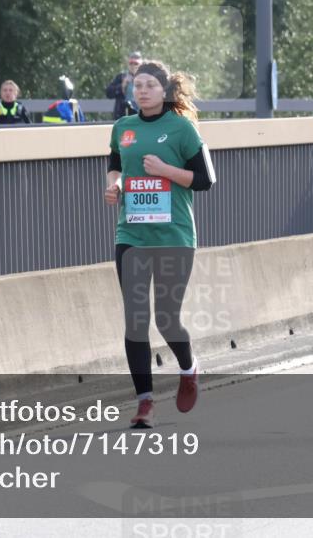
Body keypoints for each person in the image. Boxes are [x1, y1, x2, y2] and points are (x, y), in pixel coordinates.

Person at [103, 60, 217, 428]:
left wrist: (165, 171)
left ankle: (189, 368)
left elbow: (205, 179)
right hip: (131, 235)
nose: (142, 91)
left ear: (165, 91)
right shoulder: (124, 127)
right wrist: (116, 185)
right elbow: (117, 165)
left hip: (174, 236)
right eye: (137, 85)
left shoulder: (181, 129)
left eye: (150, 85)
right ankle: (145, 403)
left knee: (167, 319)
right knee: (136, 321)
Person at [105, 51, 143, 120]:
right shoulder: (121, 77)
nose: (133, 66)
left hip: (141, 116)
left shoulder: (146, 78)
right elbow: (108, 93)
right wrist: (122, 86)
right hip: (123, 116)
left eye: (136, 64)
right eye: (131, 63)